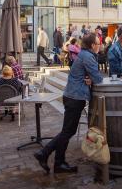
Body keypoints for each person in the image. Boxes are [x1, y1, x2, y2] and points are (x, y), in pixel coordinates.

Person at [34, 33, 104, 174]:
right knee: (68, 131)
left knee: (67, 131)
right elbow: (98, 78)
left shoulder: (84, 55)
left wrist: (89, 78)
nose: (100, 46)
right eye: (98, 43)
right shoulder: (88, 57)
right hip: (75, 98)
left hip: (72, 96)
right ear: (92, 45)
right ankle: (44, 153)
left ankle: (59, 163)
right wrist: (92, 78)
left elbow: (90, 77)